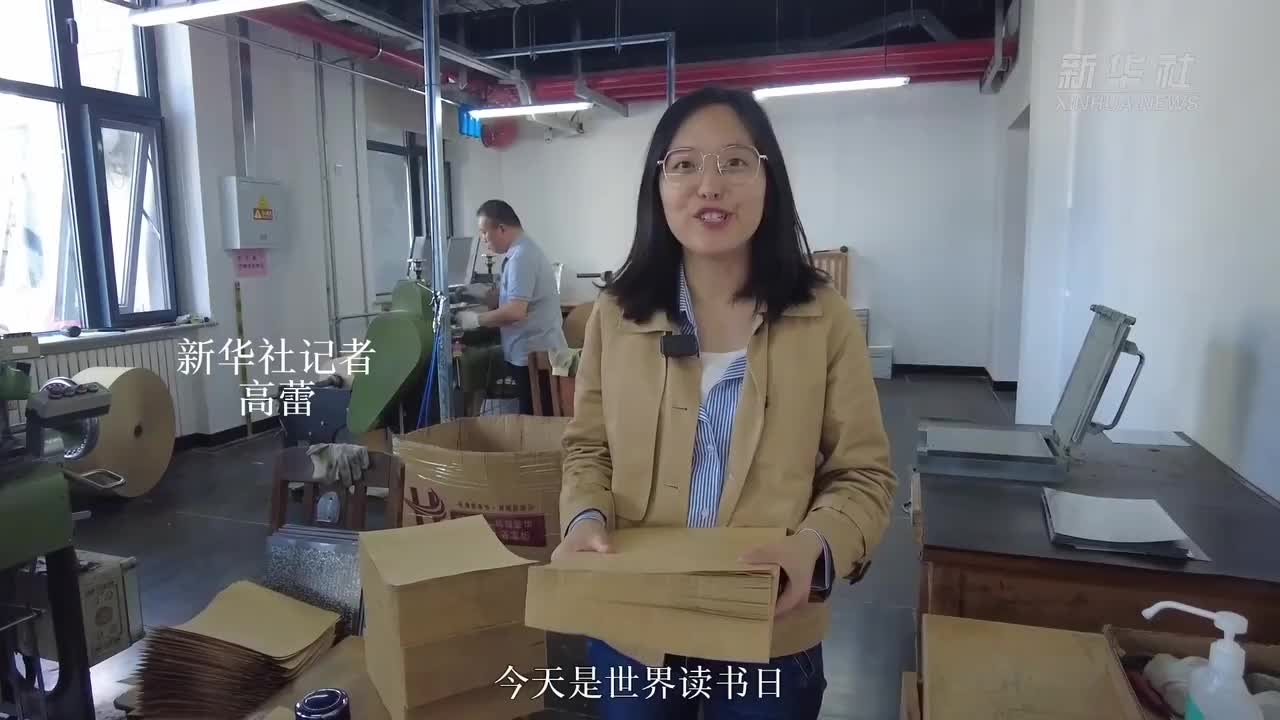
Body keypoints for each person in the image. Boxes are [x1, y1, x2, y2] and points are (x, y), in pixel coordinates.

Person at [556, 87, 897, 719]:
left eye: (735, 162)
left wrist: (814, 544)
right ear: (658, 185)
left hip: (770, 628)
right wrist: (584, 518)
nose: (709, 185)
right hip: (635, 621)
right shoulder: (617, 315)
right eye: (684, 164)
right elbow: (588, 449)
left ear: (769, 180)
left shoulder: (824, 318)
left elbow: (863, 473)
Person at [458, 200, 567, 415]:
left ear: (501, 228)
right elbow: (513, 295)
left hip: (535, 357)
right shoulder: (520, 252)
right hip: (530, 353)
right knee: (535, 416)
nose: (483, 239)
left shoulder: (521, 257)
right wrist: (478, 293)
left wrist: (475, 320)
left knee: (538, 418)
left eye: (484, 232)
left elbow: (516, 311)